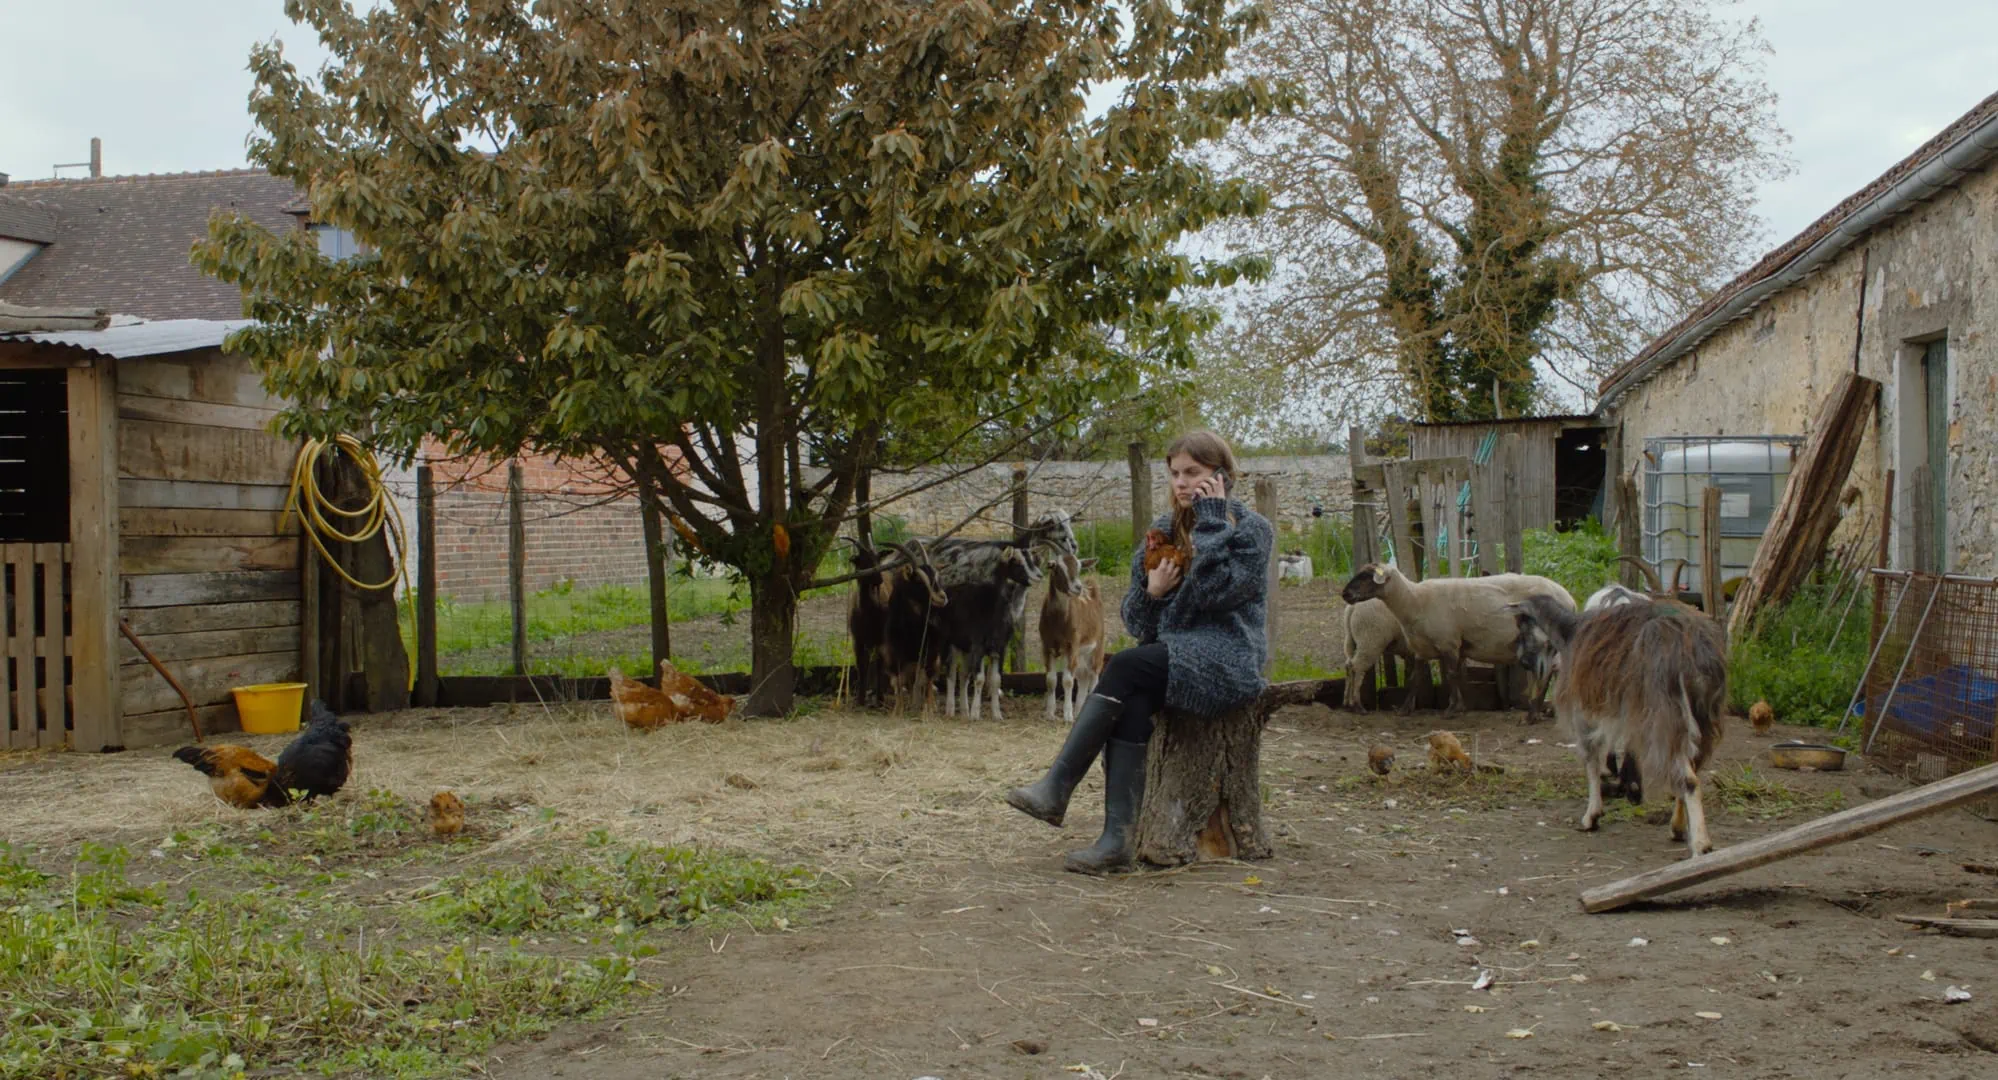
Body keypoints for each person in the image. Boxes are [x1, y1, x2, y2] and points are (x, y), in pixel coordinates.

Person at [1005, 429, 1273, 873]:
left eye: (1194, 473)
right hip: (1176, 657)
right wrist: (1153, 592)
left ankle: (1057, 787)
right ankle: (1116, 845)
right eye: (1175, 474)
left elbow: (1215, 593)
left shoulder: (1251, 531)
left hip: (1229, 658)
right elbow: (1138, 623)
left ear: (1221, 476)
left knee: (1125, 665)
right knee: (1130, 702)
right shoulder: (1160, 534)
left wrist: (1210, 521)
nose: (1182, 483)